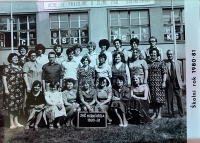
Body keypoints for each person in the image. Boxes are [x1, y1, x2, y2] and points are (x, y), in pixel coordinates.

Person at [2, 53, 24, 129]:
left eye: (17, 58)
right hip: (11, 89)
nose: (16, 59)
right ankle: (11, 123)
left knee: (17, 106)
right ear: (10, 59)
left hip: (19, 89)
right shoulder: (7, 68)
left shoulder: (20, 67)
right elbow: (4, 78)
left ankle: (16, 122)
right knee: (12, 106)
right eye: (14, 58)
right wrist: (6, 89)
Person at [147, 48, 167, 119]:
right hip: (150, 83)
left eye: (154, 53)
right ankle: (154, 113)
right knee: (152, 98)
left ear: (157, 54)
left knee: (159, 98)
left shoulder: (161, 62)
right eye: (152, 53)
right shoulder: (148, 62)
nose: (153, 54)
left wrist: (164, 82)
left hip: (159, 82)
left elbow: (164, 72)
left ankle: (159, 114)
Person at [164, 50, 184, 118]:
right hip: (169, 82)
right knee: (169, 98)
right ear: (167, 55)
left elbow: (180, 73)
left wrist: (180, 81)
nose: (170, 55)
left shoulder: (179, 62)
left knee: (179, 98)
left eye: (171, 54)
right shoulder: (164, 63)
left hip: (177, 82)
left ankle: (181, 113)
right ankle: (171, 113)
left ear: (173, 54)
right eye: (168, 54)